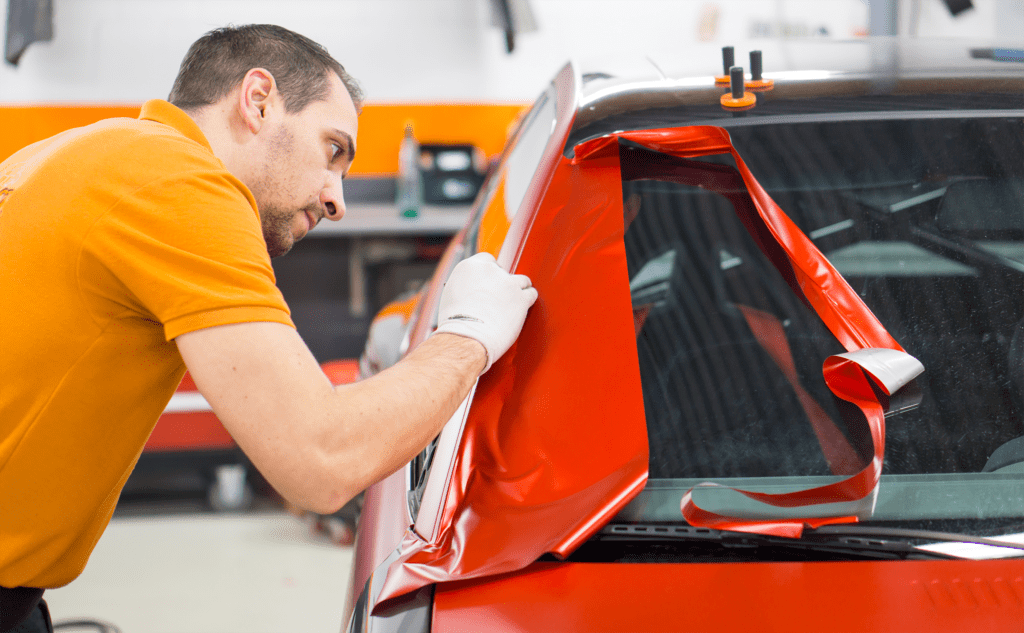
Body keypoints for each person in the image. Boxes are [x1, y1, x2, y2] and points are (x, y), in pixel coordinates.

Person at [0, 24, 537, 632]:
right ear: (258, 100)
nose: (337, 199)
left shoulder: (67, 154)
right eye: (332, 150)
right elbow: (322, 459)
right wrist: (467, 336)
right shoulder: (179, 182)